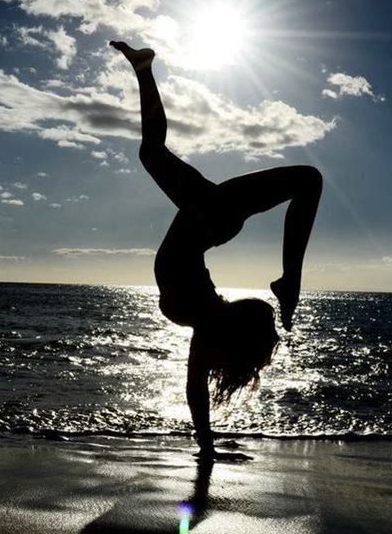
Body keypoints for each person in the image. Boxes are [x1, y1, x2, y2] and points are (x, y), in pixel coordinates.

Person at [110, 41, 323, 458]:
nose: (245, 303)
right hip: (209, 217)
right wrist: (206, 448)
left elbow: (194, 389)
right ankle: (291, 278)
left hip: (209, 219)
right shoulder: (206, 315)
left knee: (151, 151)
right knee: (308, 179)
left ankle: (142, 67)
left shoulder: (206, 323)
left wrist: (206, 448)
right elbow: (194, 388)